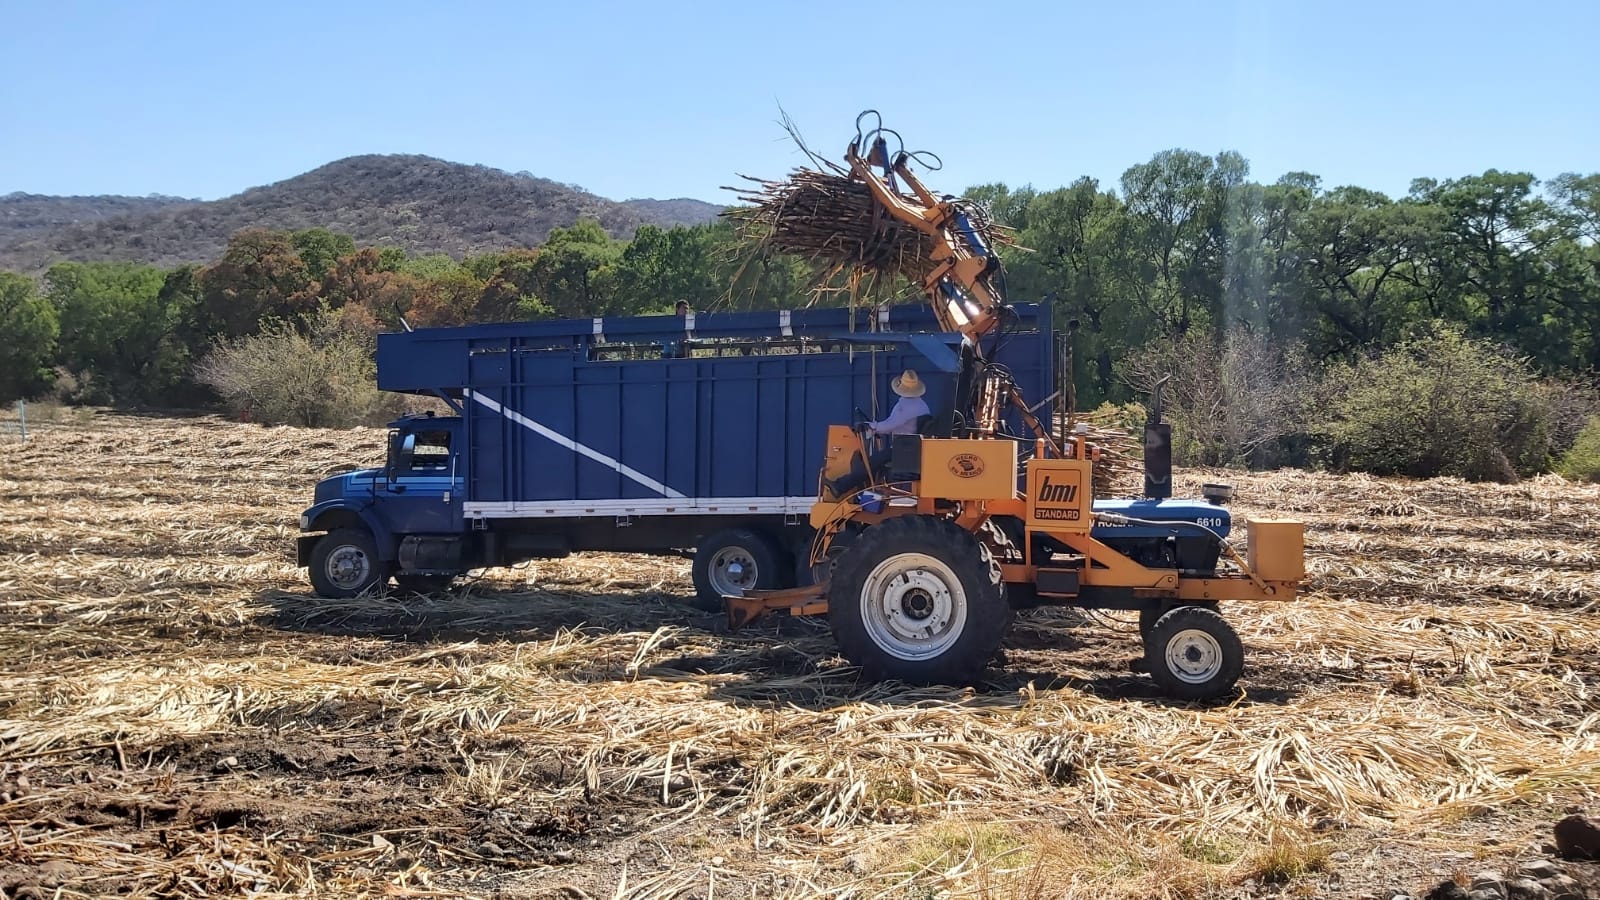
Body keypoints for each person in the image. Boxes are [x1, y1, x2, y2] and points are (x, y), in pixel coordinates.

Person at [826, 369, 931, 497]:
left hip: (902, 449)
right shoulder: (922, 405)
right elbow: (902, 425)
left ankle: (840, 487)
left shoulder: (905, 405)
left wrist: (870, 426)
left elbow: (889, 425)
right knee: (877, 466)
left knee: (870, 463)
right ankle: (870, 493)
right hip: (911, 448)